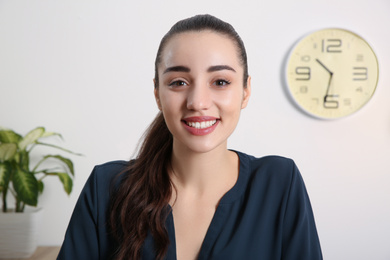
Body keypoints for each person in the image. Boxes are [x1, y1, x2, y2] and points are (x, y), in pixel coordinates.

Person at [57, 14, 322, 260]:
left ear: (245, 91)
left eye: (220, 82)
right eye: (179, 82)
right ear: (157, 93)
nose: (198, 102)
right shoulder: (106, 188)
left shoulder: (278, 183)